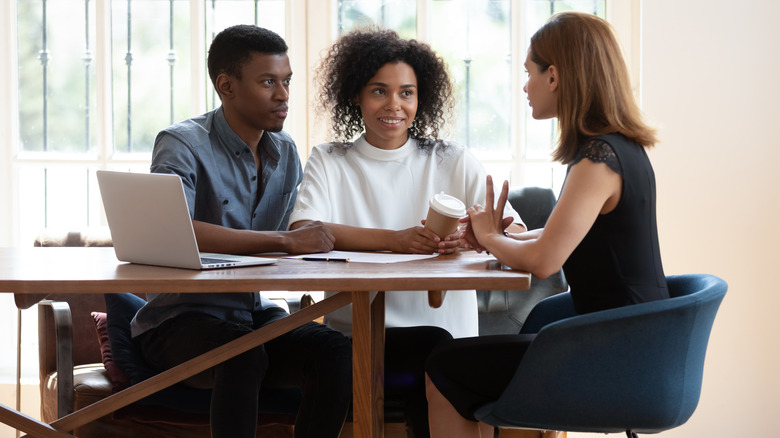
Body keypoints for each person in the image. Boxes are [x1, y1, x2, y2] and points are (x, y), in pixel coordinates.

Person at [425, 12, 670, 437]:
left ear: (554, 76)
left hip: (619, 353)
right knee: (498, 366)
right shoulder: (621, 149)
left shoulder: (597, 160)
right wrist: (497, 240)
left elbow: (542, 260)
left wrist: (487, 236)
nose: (525, 86)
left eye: (529, 73)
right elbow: (560, 236)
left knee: (443, 368)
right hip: (635, 343)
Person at [287, 28, 525, 437]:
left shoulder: (451, 159)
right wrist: (394, 240)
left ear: (421, 98)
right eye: (379, 91)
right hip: (356, 338)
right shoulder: (330, 159)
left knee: (439, 359)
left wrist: (476, 237)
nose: (394, 105)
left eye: (407, 93)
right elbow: (304, 231)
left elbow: (514, 230)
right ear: (356, 96)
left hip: (448, 339)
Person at [129, 25, 352, 438]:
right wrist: (284, 241)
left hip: (250, 314)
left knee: (336, 351)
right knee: (243, 354)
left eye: (286, 81)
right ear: (226, 85)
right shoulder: (182, 143)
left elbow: (295, 237)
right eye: (268, 82)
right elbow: (174, 230)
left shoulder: (285, 152)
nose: (283, 95)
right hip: (177, 322)